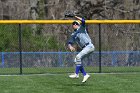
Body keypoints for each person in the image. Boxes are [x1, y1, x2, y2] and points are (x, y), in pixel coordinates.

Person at [67, 15, 95, 83]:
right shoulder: (74, 34)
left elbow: (83, 20)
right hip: (85, 48)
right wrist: (70, 46)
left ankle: (76, 74)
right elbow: (70, 41)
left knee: (78, 57)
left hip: (89, 46)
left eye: (75, 24)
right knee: (76, 60)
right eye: (73, 24)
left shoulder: (81, 28)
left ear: (78, 25)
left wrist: (75, 16)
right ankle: (85, 75)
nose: (73, 25)